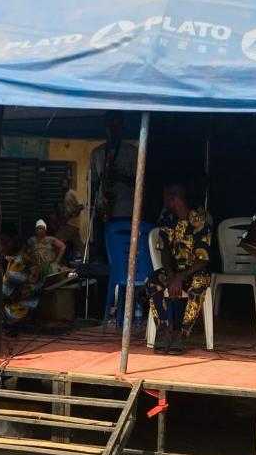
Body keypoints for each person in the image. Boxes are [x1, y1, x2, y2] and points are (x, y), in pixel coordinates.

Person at [147, 184, 212, 355]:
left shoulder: (198, 222)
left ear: (172, 198)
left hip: (193, 273)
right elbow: (164, 252)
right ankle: (164, 331)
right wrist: (170, 275)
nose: (163, 202)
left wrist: (180, 277)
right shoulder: (167, 221)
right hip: (174, 273)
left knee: (198, 286)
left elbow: (203, 260)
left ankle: (182, 335)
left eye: (165, 198)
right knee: (152, 281)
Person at [2, 220, 66, 331]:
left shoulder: (19, 263)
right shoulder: (28, 254)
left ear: (15, 239)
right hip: (31, 311)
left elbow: (5, 294)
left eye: (5, 243)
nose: (2, 248)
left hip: (16, 313)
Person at [90, 112, 139, 232]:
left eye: (116, 125)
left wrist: (119, 177)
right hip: (102, 210)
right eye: (110, 125)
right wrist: (93, 209)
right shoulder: (97, 153)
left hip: (124, 211)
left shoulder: (131, 152)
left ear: (121, 127)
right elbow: (93, 183)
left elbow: (139, 184)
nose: (112, 130)